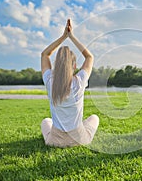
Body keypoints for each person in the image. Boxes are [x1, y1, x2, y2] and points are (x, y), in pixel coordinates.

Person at [41, 19, 99, 147]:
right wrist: (71, 36)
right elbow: (89, 57)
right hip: (78, 139)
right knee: (94, 117)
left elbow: (45, 54)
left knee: (46, 121)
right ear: (74, 65)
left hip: (56, 141)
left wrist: (63, 37)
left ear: (56, 65)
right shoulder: (80, 81)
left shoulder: (50, 81)